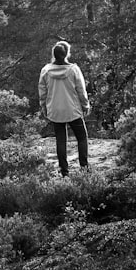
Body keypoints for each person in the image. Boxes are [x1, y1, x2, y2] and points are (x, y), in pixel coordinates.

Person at [38, 40, 91, 177]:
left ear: (54, 54)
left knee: (61, 140)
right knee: (82, 138)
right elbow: (81, 90)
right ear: (67, 54)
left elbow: (42, 92)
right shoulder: (73, 69)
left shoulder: (45, 70)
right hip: (72, 109)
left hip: (55, 110)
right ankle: (84, 168)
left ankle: (64, 172)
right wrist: (85, 105)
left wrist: (44, 107)